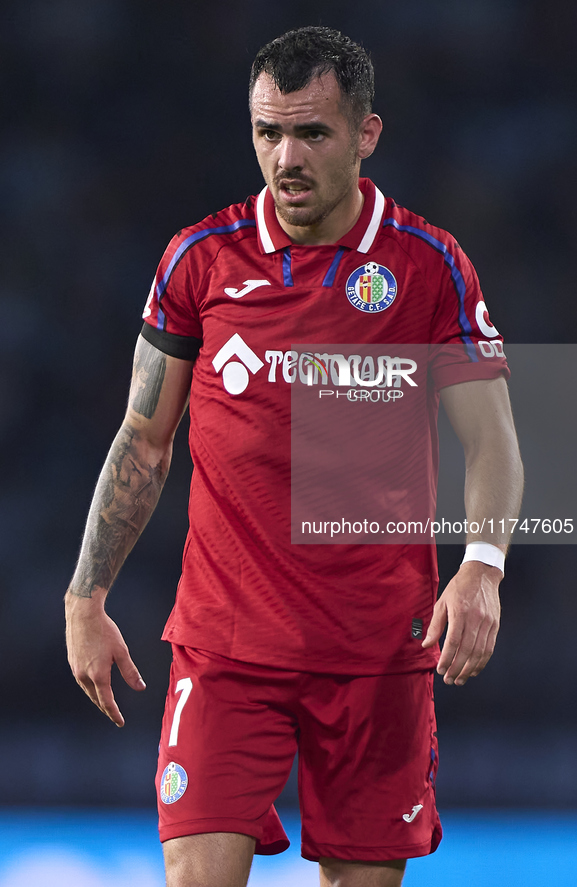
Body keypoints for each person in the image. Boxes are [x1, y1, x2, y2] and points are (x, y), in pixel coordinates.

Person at [65, 26, 523, 887]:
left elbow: (492, 434)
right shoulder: (200, 260)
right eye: (268, 132)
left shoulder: (427, 267)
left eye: (311, 132)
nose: (286, 156)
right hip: (225, 647)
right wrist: (85, 594)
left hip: (376, 650)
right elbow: (143, 438)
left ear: (365, 134)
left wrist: (483, 567)